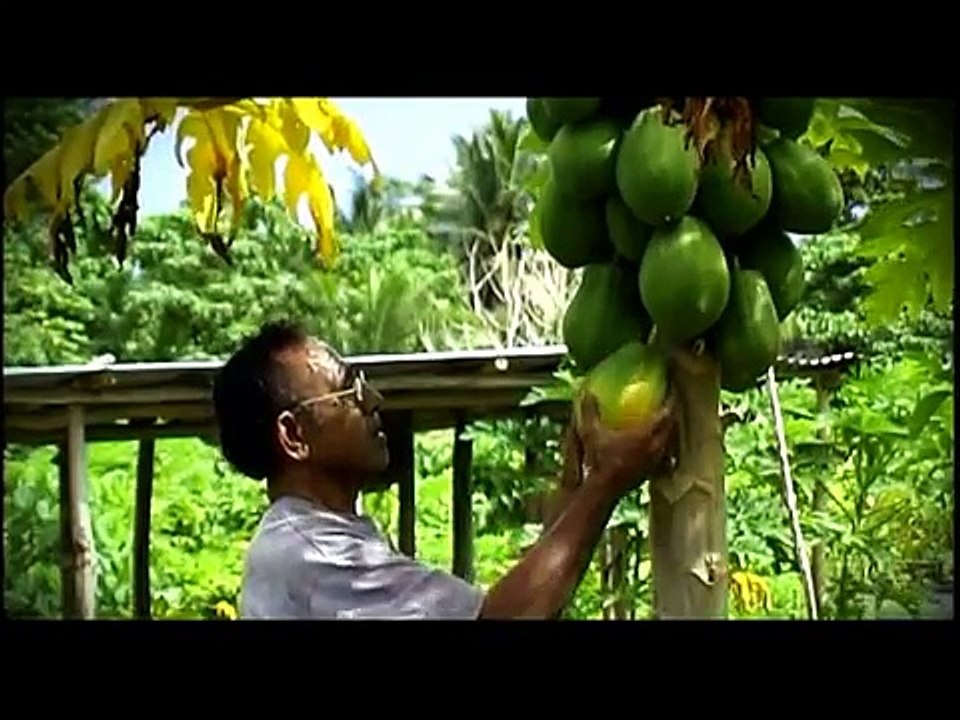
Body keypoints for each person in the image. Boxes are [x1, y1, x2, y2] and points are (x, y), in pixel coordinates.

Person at [212, 320, 677, 619]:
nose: (373, 402)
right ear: (294, 436)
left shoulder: (308, 539)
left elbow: (516, 603)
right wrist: (606, 483)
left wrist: (576, 489)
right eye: (349, 391)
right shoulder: (313, 555)